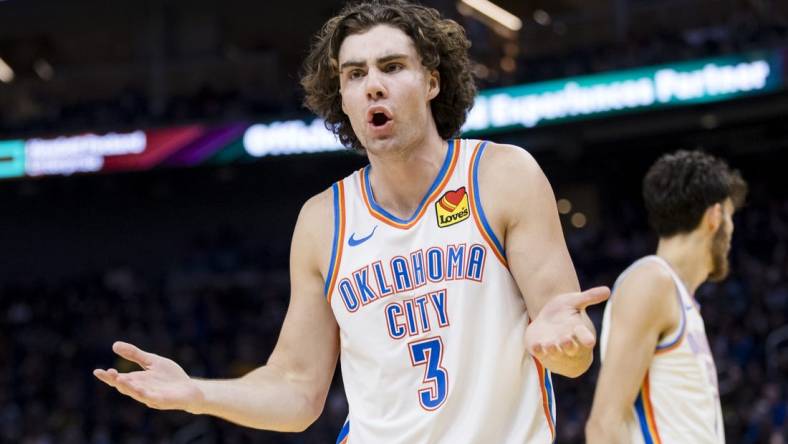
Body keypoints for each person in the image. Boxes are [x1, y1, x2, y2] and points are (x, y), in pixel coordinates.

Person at [94, 1, 609, 442]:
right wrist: (198, 394)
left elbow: (569, 350)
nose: (373, 87)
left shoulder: (500, 175)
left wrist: (564, 345)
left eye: (391, 67)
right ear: (340, 96)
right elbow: (297, 388)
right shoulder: (323, 220)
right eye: (355, 74)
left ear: (432, 80)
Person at [585, 150, 748, 444]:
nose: (732, 230)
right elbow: (604, 426)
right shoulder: (651, 281)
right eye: (731, 217)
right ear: (715, 216)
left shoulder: (677, 296)